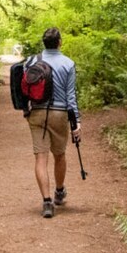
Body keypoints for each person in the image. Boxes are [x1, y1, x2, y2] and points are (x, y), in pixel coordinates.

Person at [26, 27, 80, 219]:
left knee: (41, 158)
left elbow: (25, 87)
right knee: (59, 154)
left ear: (44, 43)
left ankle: (47, 202)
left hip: (37, 113)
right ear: (60, 42)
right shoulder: (68, 63)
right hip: (59, 114)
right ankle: (59, 191)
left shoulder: (32, 61)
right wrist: (76, 123)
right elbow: (70, 96)